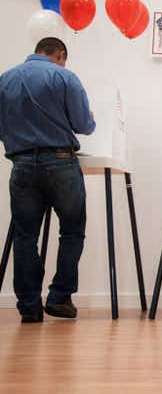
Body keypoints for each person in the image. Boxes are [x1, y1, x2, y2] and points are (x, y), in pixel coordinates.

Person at [0, 38, 96, 323]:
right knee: (72, 231)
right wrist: (89, 118)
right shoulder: (64, 76)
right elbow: (83, 124)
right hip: (61, 163)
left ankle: (29, 307)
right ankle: (59, 297)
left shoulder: (5, 79)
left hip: (22, 165)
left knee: (25, 236)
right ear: (61, 55)